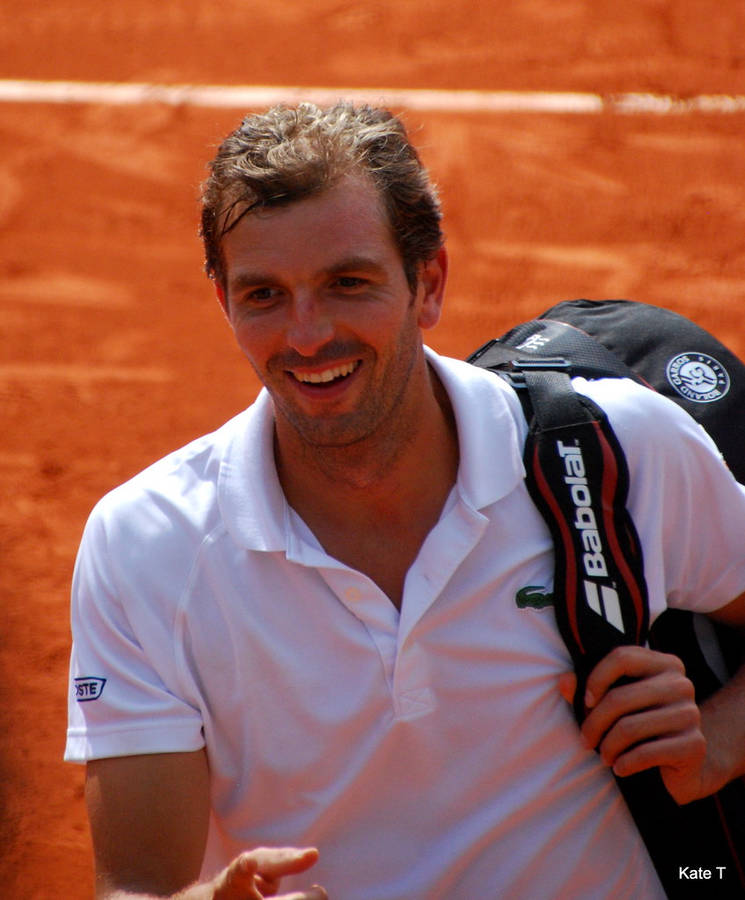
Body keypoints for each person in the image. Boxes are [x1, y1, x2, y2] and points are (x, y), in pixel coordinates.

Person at [65, 102, 745, 899]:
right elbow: (135, 885)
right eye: (263, 296)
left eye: (347, 284)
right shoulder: (147, 544)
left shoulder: (614, 452)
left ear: (429, 283)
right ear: (224, 305)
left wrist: (722, 739)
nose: (307, 334)